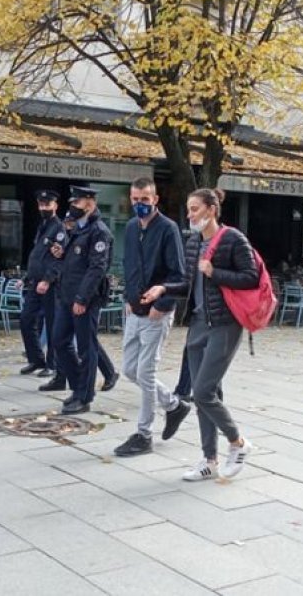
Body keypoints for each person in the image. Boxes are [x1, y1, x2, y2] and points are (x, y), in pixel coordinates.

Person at [142, 188, 256, 481]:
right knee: (205, 394)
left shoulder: (232, 239)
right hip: (198, 324)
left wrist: (215, 272)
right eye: (189, 209)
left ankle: (238, 443)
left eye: (195, 209)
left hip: (225, 324)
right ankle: (209, 460)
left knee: (203, 391)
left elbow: (250, 278)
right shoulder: (193, 242)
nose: (190, 215)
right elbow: (187, 283)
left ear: (211, 209)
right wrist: (164, 288)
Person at [114, 178, 190, 457]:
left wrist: (165, 303)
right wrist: (127, 298)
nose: (139, 205)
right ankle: (173, 405)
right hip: (134, 309)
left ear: (155, 199)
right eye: (135, 199)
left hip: (157, 312)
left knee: (146, 372)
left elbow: (179, 275)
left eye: (145, 199)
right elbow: (129, 265)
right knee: (130, 370)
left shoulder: (168, 229)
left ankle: (143, 434)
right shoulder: (132, 227)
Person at [51, 186, 113, 415]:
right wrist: (62, 253)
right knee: (59, 341)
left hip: (84, 299)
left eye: (77, 203)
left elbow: (97, 268)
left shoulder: (99, 232)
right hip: (67, 296)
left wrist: (82, 298)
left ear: (90, 203)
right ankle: (78, 387)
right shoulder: (79, 229)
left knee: (87, 348)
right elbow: (75, 260)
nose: (73, 207)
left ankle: (84, 396)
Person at [19, 190, 64, 378]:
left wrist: (47, 279)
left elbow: (58, 259)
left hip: (51, 285)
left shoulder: (59, 228)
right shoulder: (42, 225)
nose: (43, 208)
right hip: (35, 282)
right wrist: (26, 278)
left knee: (52, 324)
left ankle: (52, 364)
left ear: (55, 206)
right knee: (26, 320)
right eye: (41, 205)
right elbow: (38, 256)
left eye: (47, 204)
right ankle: (36, 359)